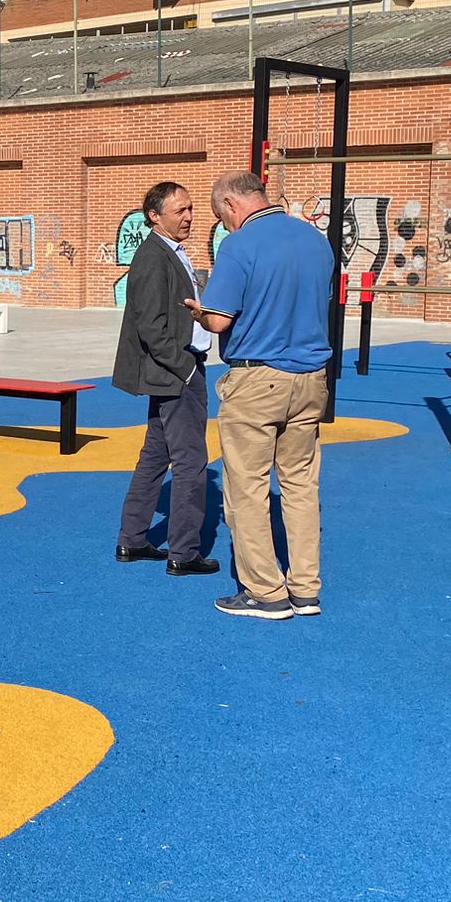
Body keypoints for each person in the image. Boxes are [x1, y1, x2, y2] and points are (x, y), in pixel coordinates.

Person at [186, 171, 337, 620]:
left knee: (247, 487)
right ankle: (305, 588)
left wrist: (198, 310)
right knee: (301, 485)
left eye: (221, 217)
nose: (224, 225)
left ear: (231, 204)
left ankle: (265, 591)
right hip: (311, 376)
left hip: (257, 377)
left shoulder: (239, 245)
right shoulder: (316, 241)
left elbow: (218, 320)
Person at [111, 180, 218, 575]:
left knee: (155, 457)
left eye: (190, 208)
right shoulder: (153, 256)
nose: (189, 216)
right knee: (191, 461)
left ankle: (132, 539)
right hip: (176, 373)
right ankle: (184, 552)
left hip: (172, 371)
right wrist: (185, 368)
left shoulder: (168, 251)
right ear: (155, 216)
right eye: (180, 211)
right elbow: (151, 325)